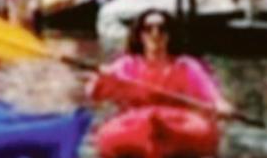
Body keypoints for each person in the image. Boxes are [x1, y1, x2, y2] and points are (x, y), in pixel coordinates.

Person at [88, 10, 232, 115]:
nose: (155, 34)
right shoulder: (126, 65)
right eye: (148, 29)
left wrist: (220, 105)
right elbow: (95, 95)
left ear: (170, 35)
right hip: (135, 125)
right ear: (140, 36)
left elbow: (211, 94)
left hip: (177, 125)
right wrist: (102, 79)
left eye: (162, 29)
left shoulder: (186, 66)